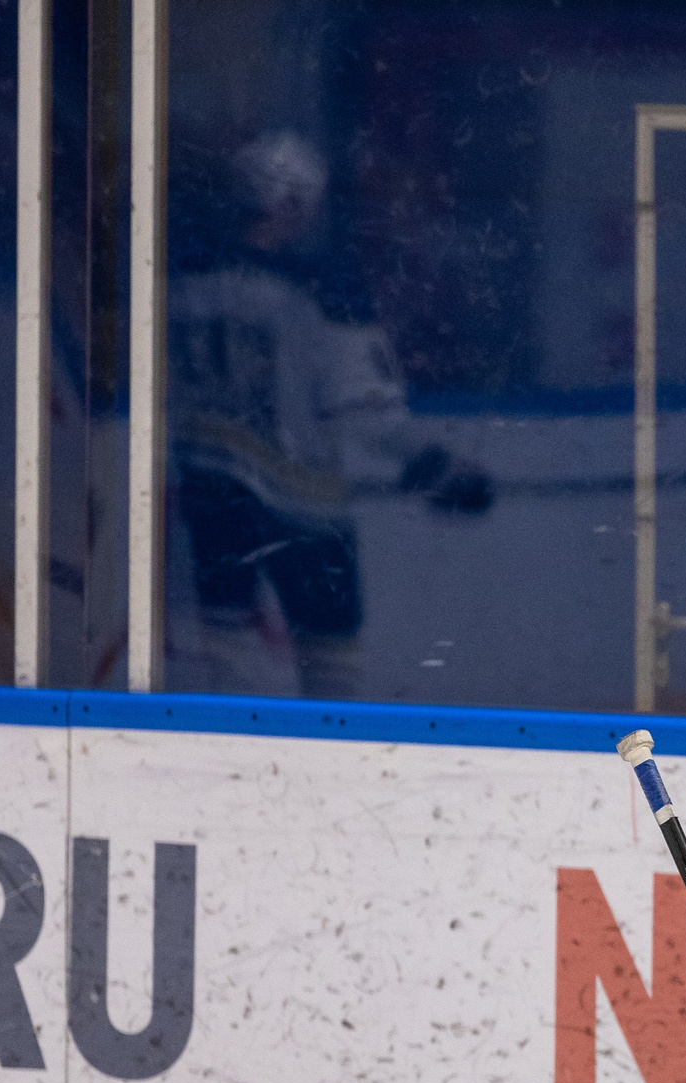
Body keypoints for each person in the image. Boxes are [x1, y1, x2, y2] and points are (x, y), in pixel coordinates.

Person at [169, 131, 490, 699]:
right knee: (332, 655)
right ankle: (335, 772)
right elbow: (365, 411)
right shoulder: (321, 290)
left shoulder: (182, 277)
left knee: (218, 653)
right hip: (303, 506)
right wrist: (438, 464)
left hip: (209, 491)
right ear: (293, 202)